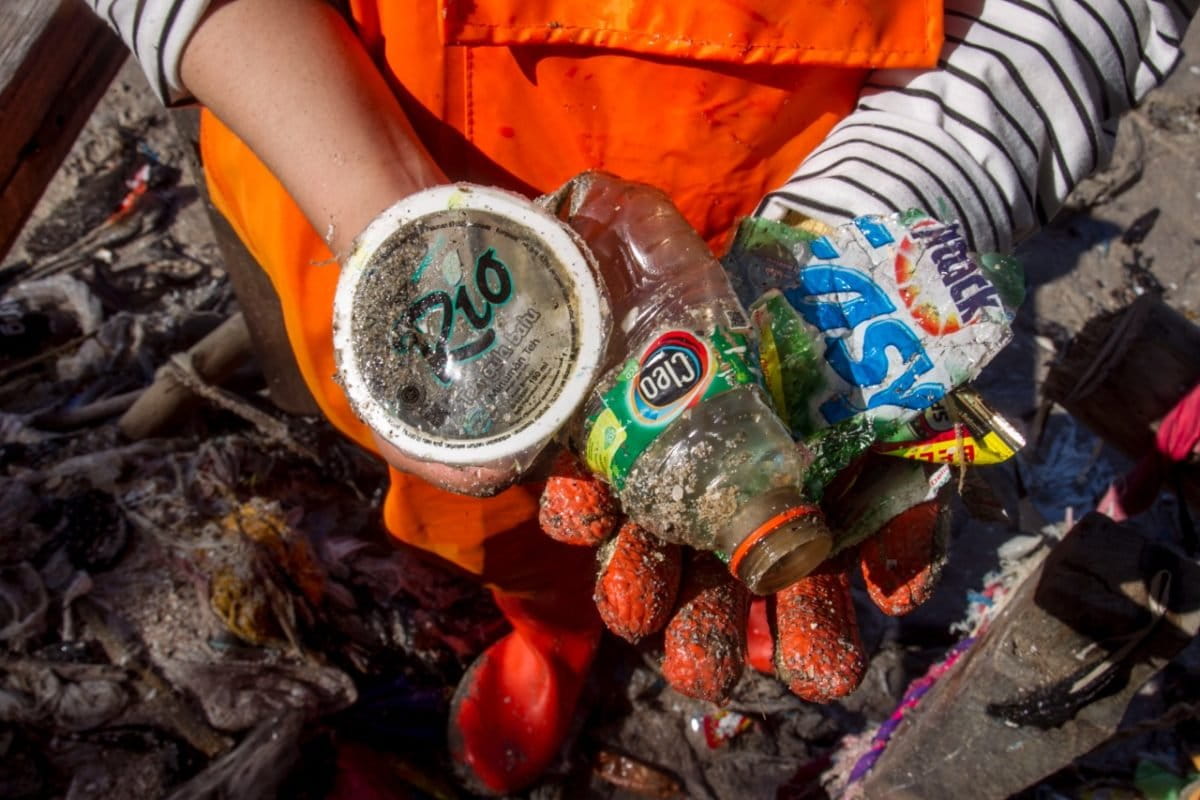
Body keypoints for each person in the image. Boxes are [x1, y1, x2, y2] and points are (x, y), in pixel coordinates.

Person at [86, 0, 1197, 793]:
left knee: (656, 524)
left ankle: (597, 622)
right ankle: (547, 630)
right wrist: (391, 216)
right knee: (485, 514)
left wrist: (850, 232)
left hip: (749, 213)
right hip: (341, 174)